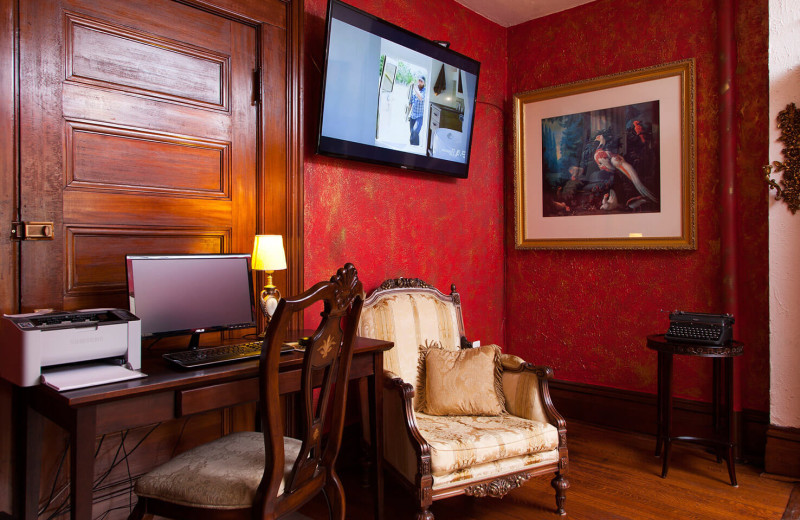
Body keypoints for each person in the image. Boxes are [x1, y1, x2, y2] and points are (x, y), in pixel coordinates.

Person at [408, 75, 426, 146]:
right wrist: (408, 113)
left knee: (415, 131)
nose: (419, 82)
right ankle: (411, 146)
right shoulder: (413, 89)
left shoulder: (424, 90)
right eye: (419, 80)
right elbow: (411, 100)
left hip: (419, 116)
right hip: (412, 115)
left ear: (423, 83)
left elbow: (421, 98)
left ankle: (416, 147)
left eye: (421, 81)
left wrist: (415, 88)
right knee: (412, 132)